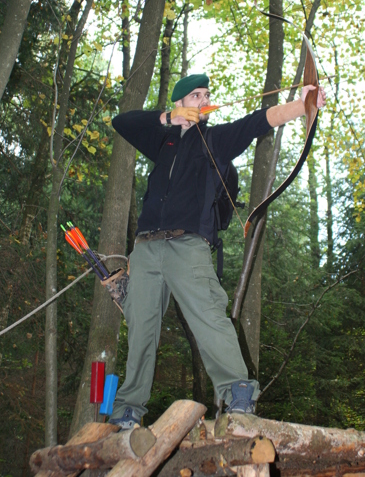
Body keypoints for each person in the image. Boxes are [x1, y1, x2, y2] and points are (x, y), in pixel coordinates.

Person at [108, 73, 327, 429]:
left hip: (187, 245)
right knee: (140, 328)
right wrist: (167, 118)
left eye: (207, 95)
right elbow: (122, 122)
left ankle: (237, 392)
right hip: (145, 250)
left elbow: (259, 121)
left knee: (209, 317)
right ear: (180, 102)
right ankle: (128, 410)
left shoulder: (214, 139)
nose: (204, 100)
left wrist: (303, 105)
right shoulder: (161, 142)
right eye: (196, 95)